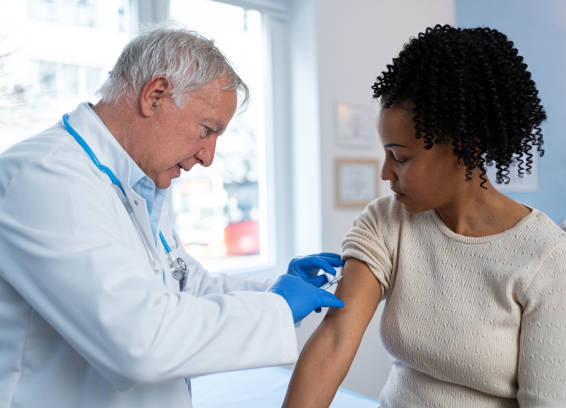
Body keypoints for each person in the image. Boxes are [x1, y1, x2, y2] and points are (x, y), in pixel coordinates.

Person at [0, 26, 344, 408]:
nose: (208, 157)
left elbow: (186, 287)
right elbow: (139, 341)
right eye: (206, 130)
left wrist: (274, 288)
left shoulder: (135, 184)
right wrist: (277, 306)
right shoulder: (43, 177)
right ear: (155, 95)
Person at [283, 25, 566, 407]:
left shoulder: (547, 255)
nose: (385, 173)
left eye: (401, 157)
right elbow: (334, 342)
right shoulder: (386, 221)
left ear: (465, 148)